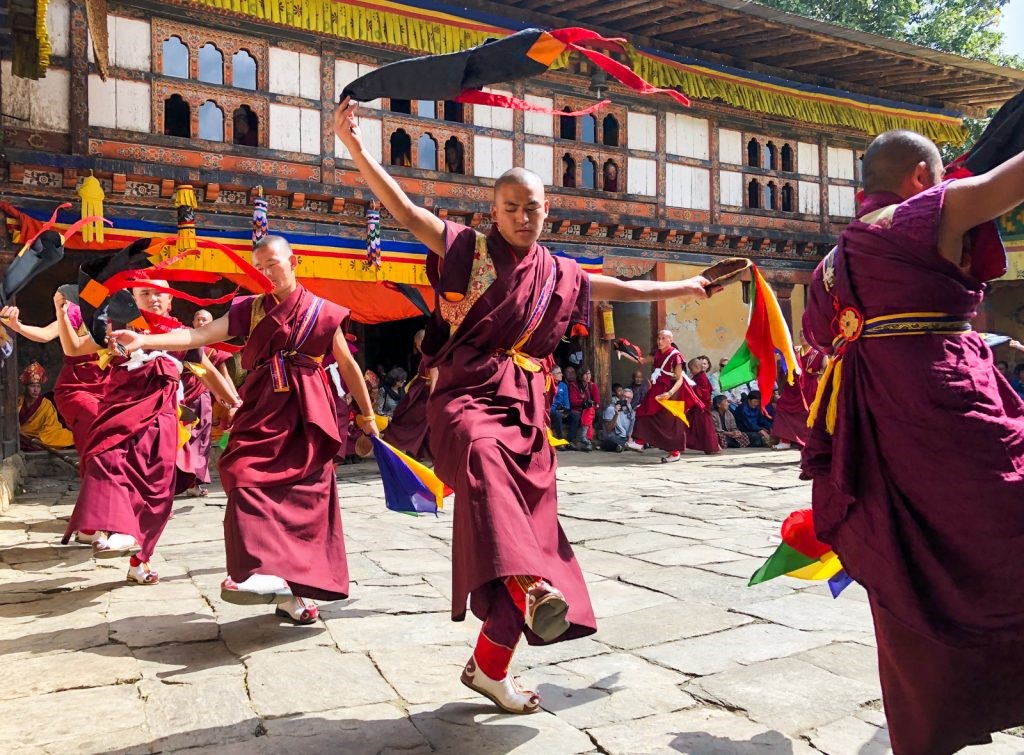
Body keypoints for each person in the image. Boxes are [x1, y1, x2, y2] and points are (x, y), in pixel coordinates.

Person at [335, 96, 710, 714]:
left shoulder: (561, 274)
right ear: (494, 210)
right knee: (483, 465)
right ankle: (529, 583)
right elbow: (403, 209)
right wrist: (355, 146)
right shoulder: (467, 251)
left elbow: (628, 285)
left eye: (532, 208)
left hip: (525, 411)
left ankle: (491, 664)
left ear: (546, 210)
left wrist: (685, 285)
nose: (522, 217)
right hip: (462, 398)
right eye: (510, 208)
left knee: (527, 531)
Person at [801, 129, 1024, 754]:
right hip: (951, 410)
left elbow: (817, 347)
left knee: (906, 578)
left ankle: (928, 735)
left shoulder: (830, 265)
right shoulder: (924, 213)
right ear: (923, 180)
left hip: (877, 433)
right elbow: (1008, 184)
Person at [114, 236, 378, 623]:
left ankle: (295, 592)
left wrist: (367, 414)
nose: (267, 273)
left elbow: (347, 365)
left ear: (294, 261)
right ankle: (260, 568)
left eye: (273, 263)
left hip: (307, 409)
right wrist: (146, 338)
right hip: (262, 405)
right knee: (241, 472)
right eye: (260, 267)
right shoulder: (252, 309)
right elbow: (199, 336)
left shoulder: (322, 310)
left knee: (306, 496)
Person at [64, 280, 235, 586]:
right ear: (133, 300)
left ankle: (139, 561)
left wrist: (232, 402)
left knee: (156, 495)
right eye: (145, 293)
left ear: (170, 299)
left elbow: (206, 370)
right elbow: (73, 348)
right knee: (106, 461)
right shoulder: (115, 330)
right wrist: (61, 310)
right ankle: (110, 528)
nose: (154, 298)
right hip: (121, 414)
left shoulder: (181, 336)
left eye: (160, 293)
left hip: (163, 422)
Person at [627, 330, 700, 463]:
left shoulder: (675, 355)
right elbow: (641, 361)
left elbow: (679, 380)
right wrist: (623, 352)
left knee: (668, 422)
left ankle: (675, 452)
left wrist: (669, 393)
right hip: (657, 387)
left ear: (670, 340)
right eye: (658, 338)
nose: (659, 341)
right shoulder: (656, 353)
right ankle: (639, 441)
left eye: (663, 338)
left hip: (669, 391)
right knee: (644, 411)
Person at [382, 330, 435, 461]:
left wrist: (434, 398)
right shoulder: (425, 357)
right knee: (402, 415)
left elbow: (434, 378)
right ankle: (412, 450)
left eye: (418, 344)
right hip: (420, 393)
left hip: (426, 395)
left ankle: (415, 449)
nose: (417, 347)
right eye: (416, 345)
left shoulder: (433, 355)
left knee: (410, 418)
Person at [770, 336, 827, 450]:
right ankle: (785, 440)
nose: (803, 338)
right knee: (782, 407)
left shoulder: (819, 352)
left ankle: (809, 440)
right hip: (795, 387)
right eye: (801, 336)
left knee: (809, 415)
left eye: (805, 336)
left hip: (812, 386)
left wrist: (820, 380)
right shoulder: (795, 351)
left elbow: (825, 368)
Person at [17, 362, 73, 451]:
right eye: (32, 386)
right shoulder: (18, 402)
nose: (36, 390)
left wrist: (39, 438)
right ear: (25, 387)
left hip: (42, 435)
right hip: (21, 435)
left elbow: (50, 428)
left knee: (62, 438)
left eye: (38, 386)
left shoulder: (46, 404)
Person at [684, 357, 720, 454]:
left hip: (702, 408)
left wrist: (691, 387)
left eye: (691, 370)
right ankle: (683, 444)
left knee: (705, 428)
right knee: (690, 426)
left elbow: (704, 392)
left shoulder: (702, 377)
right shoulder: (698, 377)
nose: (691, 372)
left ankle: (712, 447)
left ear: (696, 367)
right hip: (696, 407)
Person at [568, 367, 599, 451]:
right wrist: (584, 403)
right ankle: (579, 440)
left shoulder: (592, 386)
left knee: (590, 412)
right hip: (577, 409)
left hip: (589, 410)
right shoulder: (574, 385)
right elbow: (573, 402)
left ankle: (586, 439)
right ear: (580, 376)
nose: (588, 376)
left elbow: (597, 403)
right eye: (586, 374)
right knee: (577, 416)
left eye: (589, 374)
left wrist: (591, 404)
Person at [547, 364, 576, 445]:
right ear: (552, 375)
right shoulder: (548, 385)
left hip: (562, 410)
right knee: (557, 414)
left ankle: (570, 440)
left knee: (575, 416)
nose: (561, 375)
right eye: (559, 373)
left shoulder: (563, 385)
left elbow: (567, 403)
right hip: (552, 411)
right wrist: (557, 410)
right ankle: (560, 440)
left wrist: (565, 410)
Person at [601, 387, 634, 452]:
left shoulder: (631, 411)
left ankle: (622, 446)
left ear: (631, 400)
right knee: (609, 440)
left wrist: (630, 437)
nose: (626, 399)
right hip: (614, 437)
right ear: (620, 397)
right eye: (624, 396)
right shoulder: (610, 409)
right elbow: (608, 428)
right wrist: (616, 414)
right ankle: (626, 446)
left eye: (628, 398)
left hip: (624, 438)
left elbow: (631, 428)